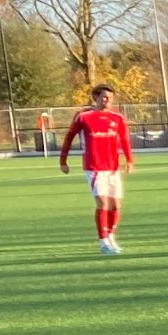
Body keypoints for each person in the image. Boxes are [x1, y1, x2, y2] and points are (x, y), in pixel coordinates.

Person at [59, 84, 133, 254]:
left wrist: (129, 160)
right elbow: (69, 138)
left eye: (111, 98)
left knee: (116, 205)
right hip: (94, 167)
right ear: (96, 97)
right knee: (103, 203)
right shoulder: (84, 117)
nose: (108, 101)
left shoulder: (117, 118)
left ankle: (111, 236)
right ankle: (103, 242)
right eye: (105, 97)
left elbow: (124, 139)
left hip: (113, 167)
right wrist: (63, 160)